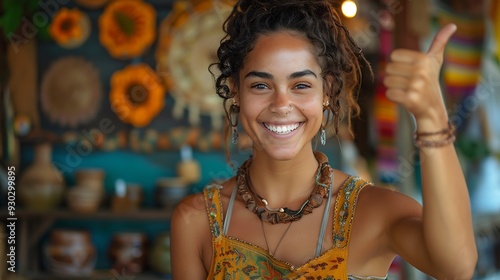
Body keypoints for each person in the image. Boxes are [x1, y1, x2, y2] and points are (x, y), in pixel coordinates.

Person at [171, 0, 478, 279]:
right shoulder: (197, 221)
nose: (281, 105)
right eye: (261, 86)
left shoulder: (372, 212)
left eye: (301, 85)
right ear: (236, 92)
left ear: (327, 93)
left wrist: (432, 117)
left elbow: (455, 267)